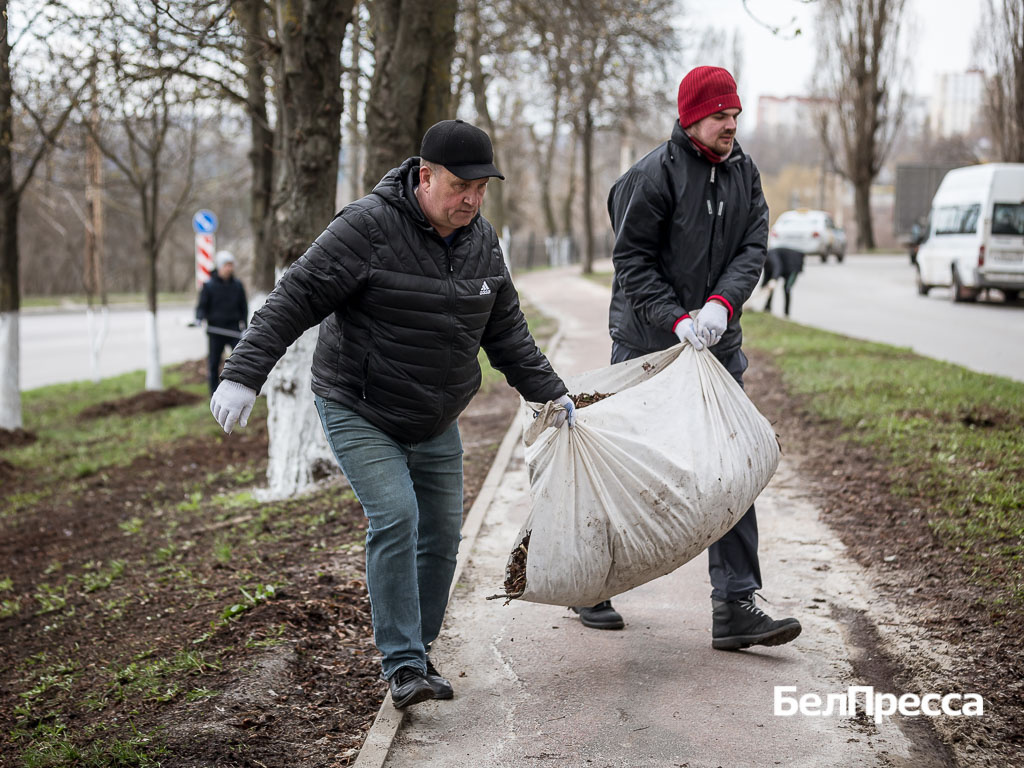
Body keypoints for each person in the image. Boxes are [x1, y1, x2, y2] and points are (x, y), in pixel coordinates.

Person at [208, 119, 576, 708]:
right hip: (360, 404)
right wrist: (243, 374)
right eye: (462, 186)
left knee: (443, 536)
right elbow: (295, 295)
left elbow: (506, 331)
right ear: (424, 176)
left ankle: (419, 651)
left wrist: (551, 393)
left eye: (483, 188)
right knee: (397, 516)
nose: (473, 200)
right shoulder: (366, 228)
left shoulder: (482, 240)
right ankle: (402, 665)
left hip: (435, 415)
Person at [574, 66, 802, 651]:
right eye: (722, 115)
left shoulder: (744, 173)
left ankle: (735, 605)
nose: (732, 124)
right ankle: (589, 582)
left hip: (717, 347)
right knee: (630, 469)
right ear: (692, 116)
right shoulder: (650, 177)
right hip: (650, 347)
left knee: (734, 466)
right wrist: (676, 318)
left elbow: (754, 245)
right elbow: (632, 265)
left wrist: (723, 305)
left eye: (735, 114)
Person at [195, 250, 248, 394]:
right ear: (219, 266)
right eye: (226, 265)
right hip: (215, 330)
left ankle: (239, 390)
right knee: (214, 363)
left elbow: (243, 307)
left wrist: (246, 326)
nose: (229, 268)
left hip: (233, 330)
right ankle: (213, 392)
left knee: (240, 361)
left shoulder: (237, 285)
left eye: (231, 265)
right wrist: (199, 318)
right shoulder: (209, 286)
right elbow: (202, 307)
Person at [762, 247, 804, 317]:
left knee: (786, 288)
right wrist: (763, 286)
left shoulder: (770, 255)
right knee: (770, 287)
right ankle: (767, 308)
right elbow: (767, 276)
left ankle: (786, 313)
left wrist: (774, 279)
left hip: (793, 266)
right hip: (784, 266)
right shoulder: (765, 261)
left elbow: (778, 267)